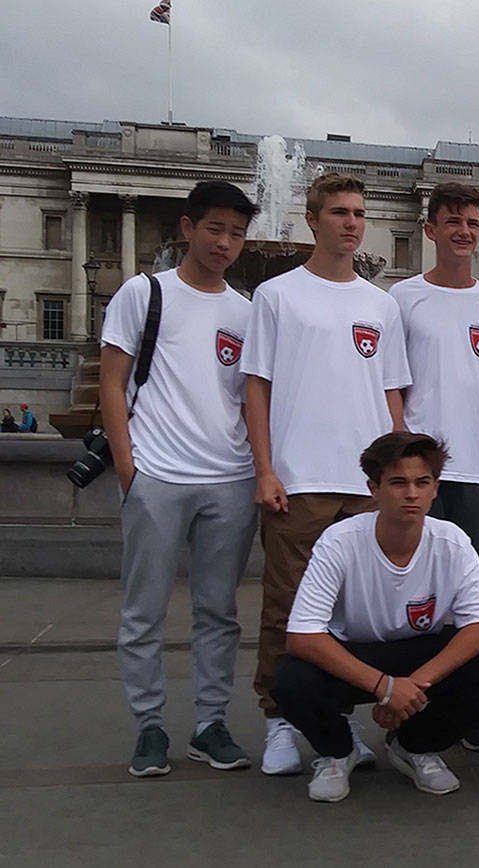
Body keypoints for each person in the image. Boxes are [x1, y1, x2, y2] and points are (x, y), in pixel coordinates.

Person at [241, 172, 412, 775]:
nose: (351, 223)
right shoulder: (278, 295)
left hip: (367, 488)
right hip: (301, 476)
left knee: (360, 613)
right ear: (311, 219)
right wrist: (265, 470)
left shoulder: (380, 304)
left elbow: (392, 396)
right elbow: (255, 389)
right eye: (339, 212)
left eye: (359, 213)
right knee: (287, 608)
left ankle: (337, 724)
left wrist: (401, 476)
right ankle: (278, 720)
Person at [99, 180, 261, 778]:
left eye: (237, 233)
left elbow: (249, 401)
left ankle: (210, 723)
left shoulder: (246, 312)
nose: (225, 243)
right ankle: (148, 726)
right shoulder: (144, 294)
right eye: (215, 229)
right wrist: (128, 470)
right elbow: (111, 383)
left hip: (230, 480)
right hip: (157, 476)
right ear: (188, 228)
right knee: (143, 611)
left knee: (219, 612)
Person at [272, 432, 479, 802]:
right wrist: (385, 687)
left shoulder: (452, 541)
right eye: (398, 483)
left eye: (422, 482)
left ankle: (414, 746)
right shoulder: (340, 541)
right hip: (354, 653)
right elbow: (301, 635)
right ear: (374, 488)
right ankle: (337, 751)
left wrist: (412, 686)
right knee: (290, 677)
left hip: (418, 655)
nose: (411, 494)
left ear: (435, 488)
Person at [390, 182, 479, 753]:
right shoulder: (402, 298)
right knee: (418, 588)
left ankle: (463, 704)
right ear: (430, 230)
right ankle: (417, 697)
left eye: (473, 222)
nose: (465, 231)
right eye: (453, 222)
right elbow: (392, 381)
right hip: (421, 470)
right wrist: (399, 449)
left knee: (473, 591)